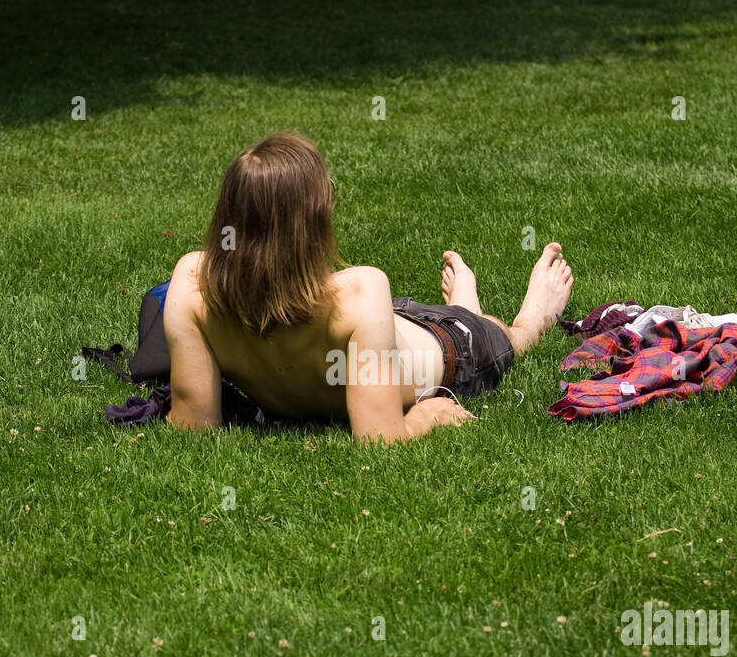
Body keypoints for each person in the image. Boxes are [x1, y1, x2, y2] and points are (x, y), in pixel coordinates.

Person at [164, 133, 572, 442]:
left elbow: (192, 422)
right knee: (507, 337)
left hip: (420, 336)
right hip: (455, 352)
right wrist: (426, 415)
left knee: (471, 324)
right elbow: (380, 437)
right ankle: (522, 320)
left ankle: (479, 309)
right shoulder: (360, 292)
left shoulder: (191, 286)